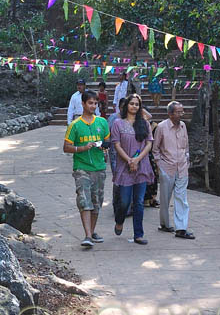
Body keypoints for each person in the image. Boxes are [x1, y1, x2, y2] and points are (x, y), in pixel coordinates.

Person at [63, 91, 109, 249]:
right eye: (90, 103)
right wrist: (82, 148)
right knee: (84, 201)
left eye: (95, 103)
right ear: (83, 104)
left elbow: (108, 141)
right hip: (82, 168)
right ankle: (88, 235)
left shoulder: (102, 122)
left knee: (97, 203)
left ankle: (92, 232)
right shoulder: (74, 125)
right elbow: (66, 147)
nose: (93, 106)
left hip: (99, 168)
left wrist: (104, 146)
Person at [110, 94, 154, 245]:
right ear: (126, 105)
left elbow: (149, 143)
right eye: (132, 103)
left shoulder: (145, 124)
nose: (134, 106)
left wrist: (137, 159)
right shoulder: (118, 123)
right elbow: (116, 144)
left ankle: (138, 234)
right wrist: (129, 160)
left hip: (141, 166)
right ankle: (119, 220)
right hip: (125, 167)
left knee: (139, 202)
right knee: (124, 201)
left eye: (137, 104)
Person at [153, 101, 194, 239]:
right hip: (167, 168)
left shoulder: (183, 126)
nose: (181, 114)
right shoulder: (161, 127)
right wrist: (160, 166)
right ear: (170, 114)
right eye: (178, 112)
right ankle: (164, 224)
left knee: (181, 199)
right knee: (165, 199)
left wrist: (187, 159)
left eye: (182, 111)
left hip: (182, 167)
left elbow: (186, 146)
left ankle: (181, 229)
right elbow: (155, 149)